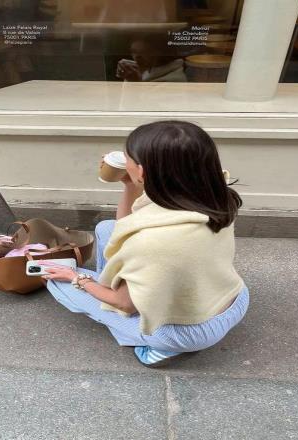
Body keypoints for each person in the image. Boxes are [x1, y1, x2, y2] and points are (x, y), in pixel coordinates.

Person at [43, 120, 249, 368]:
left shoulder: (151, 243)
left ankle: (158, 348)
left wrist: (77, 278)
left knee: (58, 281)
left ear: (142, 172)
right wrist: (130, 185)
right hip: (234, 299)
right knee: (106, 229)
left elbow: (125, 304)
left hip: (188, 332)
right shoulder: (215, 194)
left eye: (128, 157)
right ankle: (120, 285)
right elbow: (125, 228)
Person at [116, 34, 187, 82]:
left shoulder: (174, 80)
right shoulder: (148, 71)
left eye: (144, 52)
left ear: (159, 53)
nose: (137, 56)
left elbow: (139, 99)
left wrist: (135, 82)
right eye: (134, 51)